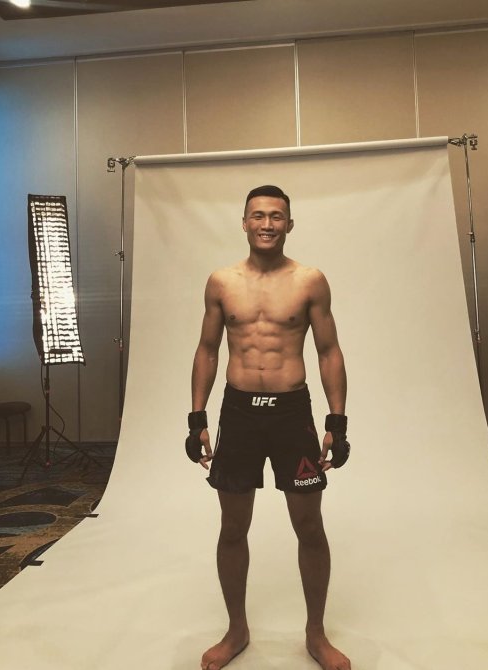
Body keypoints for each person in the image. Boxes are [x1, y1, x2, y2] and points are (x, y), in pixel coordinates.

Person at [186, 185, 351, 670]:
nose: (267, 223)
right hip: (239, 414)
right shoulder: (221, 281)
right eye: (257, 215)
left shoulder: (309, 280)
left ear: (289, 224)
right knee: (232, 527)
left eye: (276, 216)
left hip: (291, 415)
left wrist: (337, 422)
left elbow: (328, 351)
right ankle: (236, 629)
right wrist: (197, 418)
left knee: (309, 526)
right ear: (244, 223)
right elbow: (207, 350)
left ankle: (316, 634)